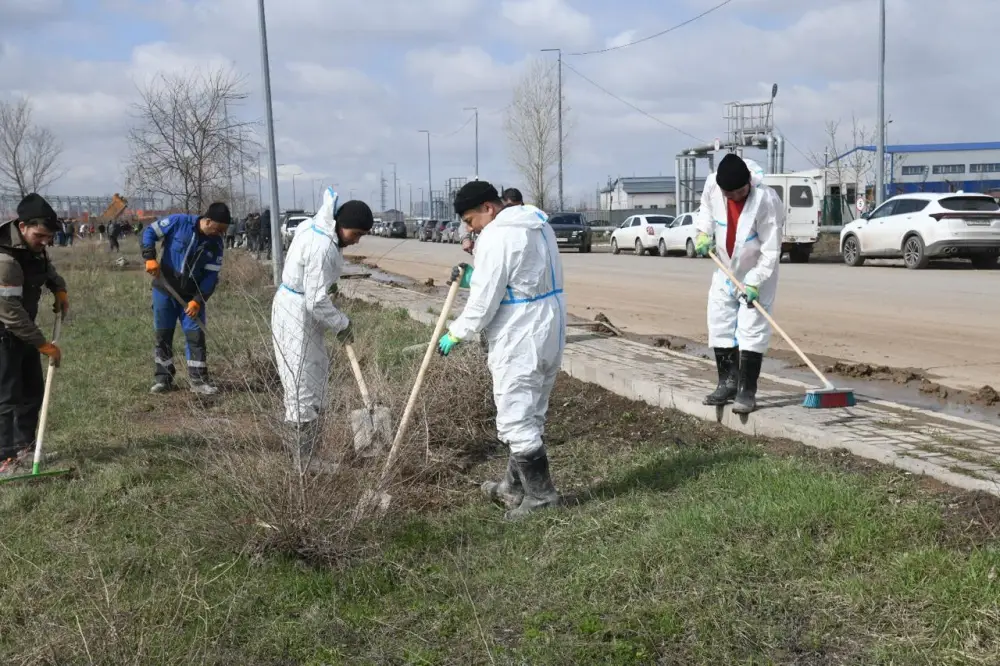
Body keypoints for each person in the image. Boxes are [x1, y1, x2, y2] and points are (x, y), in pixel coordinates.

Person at [437, 180, 565, 519]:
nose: (469, 228)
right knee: (531, 411)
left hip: (520, 332)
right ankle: (513, 488)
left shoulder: (497, 235)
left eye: (470, 220)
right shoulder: (537, 224)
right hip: (549, 322)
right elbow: (520, 276)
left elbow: (484, 302)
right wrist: (474, 277)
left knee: (515, 416)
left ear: (488, 209)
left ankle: (541, 498)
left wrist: (456, 332)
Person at [271, 189, 373, 469]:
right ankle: (303, 462)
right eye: (356, 234)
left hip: (297, 306)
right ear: (342, 225)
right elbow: (316, 301)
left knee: (314, 376)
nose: (356, 241)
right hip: (297, 313)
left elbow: (314, 287)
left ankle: (309, 456)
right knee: (301, 381)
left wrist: (328, 286)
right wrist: (342, 322)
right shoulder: (324, 246)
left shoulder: (314, 226)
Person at [694, 154, 784, 414]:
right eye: (730, 194)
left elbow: (770, 249)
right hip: (725, 266)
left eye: (740, 192)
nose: (735, 197)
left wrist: (755, 281)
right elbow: (706, 210)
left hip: (757, 270)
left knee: (752, 328)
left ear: (749, 183)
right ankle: (727, 383)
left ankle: (747, 390)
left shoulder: (766, 200)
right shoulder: (713, 185)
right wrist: (702, 233)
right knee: (719, 319)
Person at [0, 194, 67, 476]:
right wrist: (42, 343)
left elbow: (45, 268)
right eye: (40, 236)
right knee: (6, 397)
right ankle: (4, 460)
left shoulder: (31, 246)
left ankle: (25, 448)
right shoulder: (5, 259)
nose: (44, 242)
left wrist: (58, 288)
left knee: (32, 392)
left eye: (48, 238)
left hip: (22, 331)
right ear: (23, 225)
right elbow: (9, 311)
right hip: (4, 332)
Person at [142, 202, 230, 395]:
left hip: (191, 297)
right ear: (207, 221)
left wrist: (198, 300)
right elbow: (149, 232)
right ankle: (163, 379)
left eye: (224, 231)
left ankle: (198, 381)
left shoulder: (216, 244)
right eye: (219, 229)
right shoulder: (178, 222)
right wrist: (149, 256)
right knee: (163, 335)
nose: (220, 234)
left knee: (195, 337)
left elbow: (211, 277)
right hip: (165, 289)